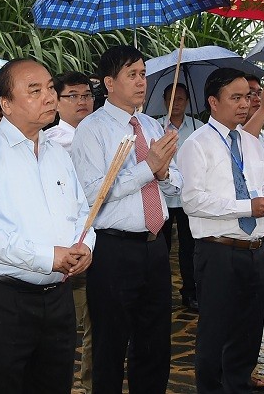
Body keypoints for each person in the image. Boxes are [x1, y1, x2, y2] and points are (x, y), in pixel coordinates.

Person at [0, 58, 95, 394]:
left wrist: (87, 245)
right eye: (35, 91)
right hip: (3, 300)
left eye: (49, 88)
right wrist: (47, 257)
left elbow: (82, 213)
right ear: (6, 104)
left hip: (58, 298)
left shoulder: (57, 152)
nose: (49, 97)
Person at [71, 45, 182, 394]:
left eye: (143, 74)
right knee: (110, 343)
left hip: (156, 246)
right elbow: (93, 194)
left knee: (155, 343)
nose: (140, 82)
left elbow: (176, 188)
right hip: (114, 249)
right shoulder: (92, 129)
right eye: (131, 75)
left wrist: (163, 174)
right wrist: (148, 168)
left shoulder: (151, 125)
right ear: (109, 82)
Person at [177, 68, 264, 394]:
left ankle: (238, 385)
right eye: (236, 97)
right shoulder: (196, 145)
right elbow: (192, 201)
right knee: (215, 331)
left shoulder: (252, 143)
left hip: (253, 250)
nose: (245, 104)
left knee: (249, 330)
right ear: (213, 102)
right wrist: (247, 207)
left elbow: (261, 189)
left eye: (249, 97)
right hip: (217, 250)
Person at [44, 70, 95, 393]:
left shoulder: (110, 137)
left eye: (87, 95)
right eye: (73, 96)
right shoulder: (48, 143)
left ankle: (91, 385)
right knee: (61, 330)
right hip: (62, 252)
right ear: (57, 102)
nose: (82, 102)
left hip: (99, 244)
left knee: (99, 328)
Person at [157, 83, 203, 311]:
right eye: (172, 99)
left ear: (187, 102)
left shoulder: (198, 128)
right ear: (164, 101)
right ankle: (161, 293)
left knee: (189, 248)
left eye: (181, 99)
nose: (176, 103)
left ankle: (190, 292)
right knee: (160, 249)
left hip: (187, 199)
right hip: (162, 199)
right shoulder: (154, 128)